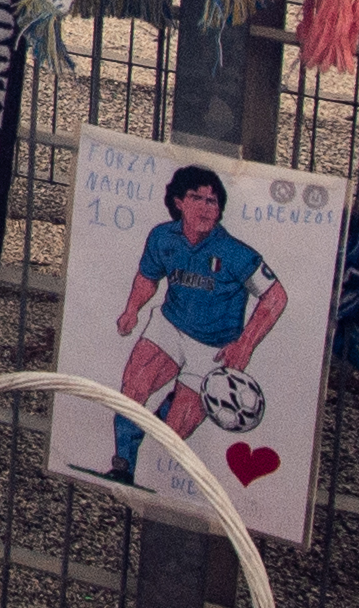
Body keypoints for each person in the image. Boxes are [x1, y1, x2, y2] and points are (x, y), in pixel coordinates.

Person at [111, 164, 289, 487]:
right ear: (179, 202)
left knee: (176, 430)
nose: (207, 208)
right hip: (170, 327)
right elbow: (148, 278)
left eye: (213, 201)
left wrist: (245, 344)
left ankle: (160, 415)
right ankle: (122, 465)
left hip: (214, 349)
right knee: (132, 388)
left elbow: (276, 297)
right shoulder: (162, 237)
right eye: (198, 198)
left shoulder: (235, 253)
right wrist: (132, 310)